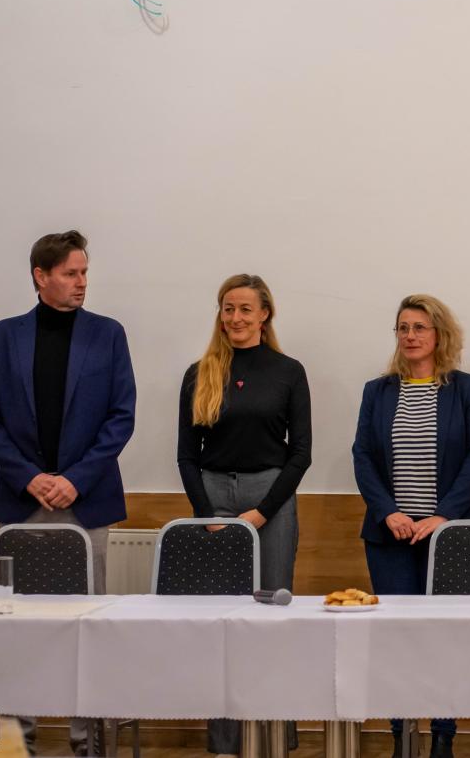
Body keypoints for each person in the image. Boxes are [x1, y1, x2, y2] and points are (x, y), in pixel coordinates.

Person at [0, 229, 136, 756]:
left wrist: (74, 480)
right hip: (22, 503)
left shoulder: (108, 334)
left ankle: (87, 738)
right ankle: (19, 737)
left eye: (84, 272)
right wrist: (30, 477)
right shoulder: (4, 336)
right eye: (70, 273)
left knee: (85, 627)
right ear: (41, 276)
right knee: (17, 629)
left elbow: (121, 417)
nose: (81, 282)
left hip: (86, 505)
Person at [177, 273, 312, 756]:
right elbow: (187, 456)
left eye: (245, 309)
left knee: (272, 618)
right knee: (222, 622)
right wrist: (206, 514)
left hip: (270, 497)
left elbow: (301, 453)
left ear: (264, 315)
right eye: (228, 308)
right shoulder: (199, 372)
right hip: (214, 496)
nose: (235, 317)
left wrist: (263, 512)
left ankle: (277, 737)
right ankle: (224, 743)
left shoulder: (288, 371)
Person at [352, 294, 470, 758]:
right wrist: (386, 510)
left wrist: (443, 516)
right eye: (403, 328)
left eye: (419, 328)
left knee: (445, 638)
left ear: (439, 335)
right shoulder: (378, 391)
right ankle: (402, 735)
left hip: (450, 537)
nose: (410, 336)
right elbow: (363, 456)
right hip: (390, 537)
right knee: (398, 639)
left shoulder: (465, 388)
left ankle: (443, 736)